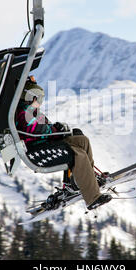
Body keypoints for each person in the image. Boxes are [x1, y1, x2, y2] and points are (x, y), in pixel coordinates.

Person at [15, 76, 112, 210]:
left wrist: (59, 130)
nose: (39, 100)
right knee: (78, 154)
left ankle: (83, 181)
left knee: (82, 141)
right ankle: (92, 198)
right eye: (37, 96)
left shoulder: (32, 111)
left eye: (41, 97)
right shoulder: (24, 112)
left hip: (44, 143)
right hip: (37, 150)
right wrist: (55, 129)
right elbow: (36, 129)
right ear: (28, 96)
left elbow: (44, 127)